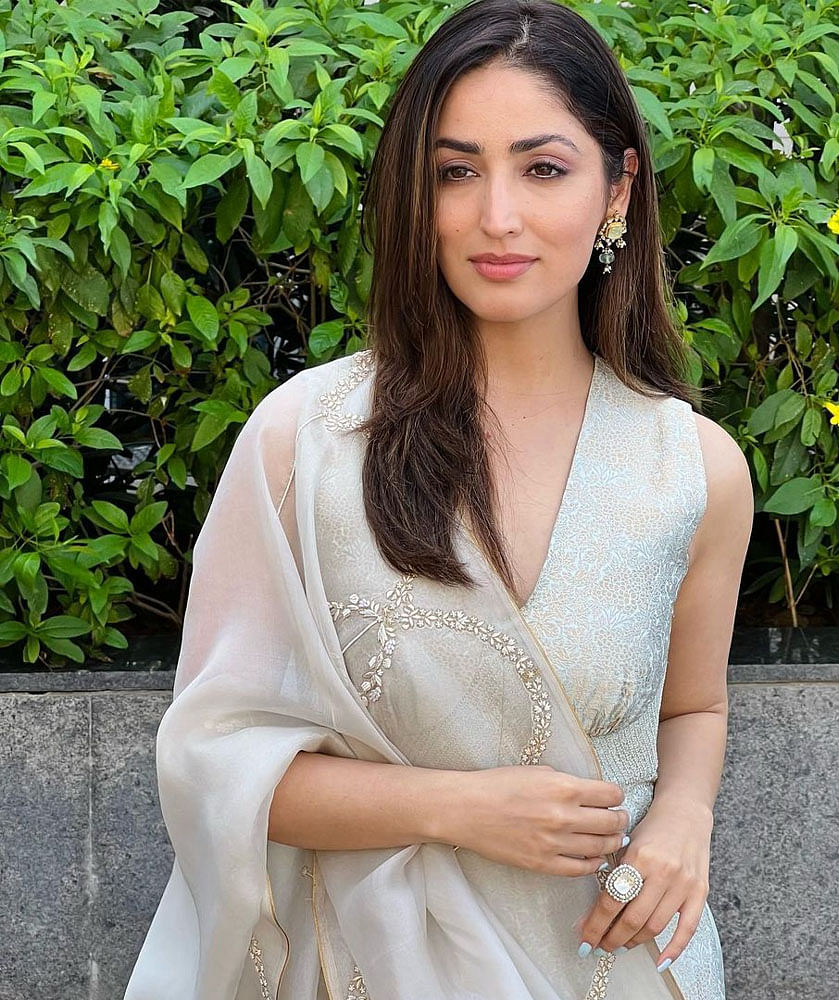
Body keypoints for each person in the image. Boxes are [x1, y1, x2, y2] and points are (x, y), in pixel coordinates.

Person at [124, 0, 753, 997]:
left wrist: (685, 818)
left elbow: (694, 704)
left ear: (617, 187)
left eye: (542, 168)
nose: (495, 215)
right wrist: (454, 808)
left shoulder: (695, 470)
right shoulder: (310, 439)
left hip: (615, 961)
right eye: (454, 172)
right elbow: (215, 764)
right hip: (362, 966)